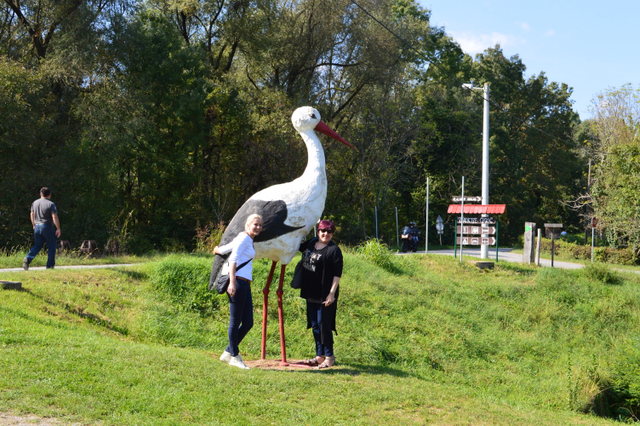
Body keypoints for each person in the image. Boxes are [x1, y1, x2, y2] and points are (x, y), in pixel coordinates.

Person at [213, 214, 263, 370]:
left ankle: (228, 352)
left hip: (244, 283)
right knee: (235, 322)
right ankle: (234, 356)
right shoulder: (244, 238)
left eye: (260, 225)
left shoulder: (244, 238)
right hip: (238, 282)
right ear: (248, 224)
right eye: (255, 224)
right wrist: (232, 283)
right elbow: (233, 259)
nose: (258, 227)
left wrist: (217, 250)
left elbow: (226, 249)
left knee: (248, 322)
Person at [297, 219, 343, 369]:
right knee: (315, 325)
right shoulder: (311, 243)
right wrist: (307, 223)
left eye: (329, 232)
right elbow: (298, 244)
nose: (326, 234)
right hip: (311, 292)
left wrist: (331, 294)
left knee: (324, 325)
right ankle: (319, 356)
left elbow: (337, 275)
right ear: (318, 231)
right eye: (323, 231)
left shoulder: (334, 250)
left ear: (332, 233)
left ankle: (329, 357)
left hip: (325, 295)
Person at [23, 187, 62, 270]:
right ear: (49, 194)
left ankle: (28, 258)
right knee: (51, 246)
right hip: (47, 226)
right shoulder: (50, 204)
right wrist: (58, 228)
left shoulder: (35, 203)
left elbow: (32, 214)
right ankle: (50, 266)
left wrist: (33, 224)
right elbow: (54, 216)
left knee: (37, 245)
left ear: (41, 194)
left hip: (37, 226)